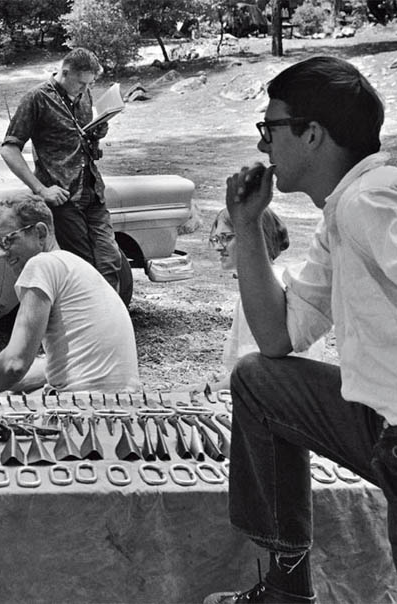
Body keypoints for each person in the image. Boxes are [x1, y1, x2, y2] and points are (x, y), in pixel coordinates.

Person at [204, 56, 395, 604]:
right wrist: (245, 226)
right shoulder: (342, 215)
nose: (264, 146)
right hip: (378, 420)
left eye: (271, 128)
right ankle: (287, 590)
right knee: (257, 381)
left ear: (311, 134)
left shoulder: (370, 199)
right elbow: (277, 340)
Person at [0, 196, 139, 397]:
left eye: (8, 240)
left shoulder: (42, 265)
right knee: (13, 395)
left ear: (40, 232)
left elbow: (15, 364)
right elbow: (53, 367)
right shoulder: (73, 265)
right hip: (119, 401)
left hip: (83, 405)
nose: (2, 253)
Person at [0, 47, 133, 305]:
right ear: (65, 72)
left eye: (90, 84)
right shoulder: (36, 98)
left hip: (92, 190)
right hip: (63, 198)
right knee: (82, 265)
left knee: (109, 260)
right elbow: (9, 149)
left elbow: (80, 136)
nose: (84, 89)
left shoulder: (84, 95)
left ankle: (108, 323)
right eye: (81, 82)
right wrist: (41, 190)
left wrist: (99, 129)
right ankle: (84, 326)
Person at [201, 207, 324, 392]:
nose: (219, 247)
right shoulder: (274, 278)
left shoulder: (260, 294)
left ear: (255, 237)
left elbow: (256, 373)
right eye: (216, 239)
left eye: (227, 237)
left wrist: (208, 388)